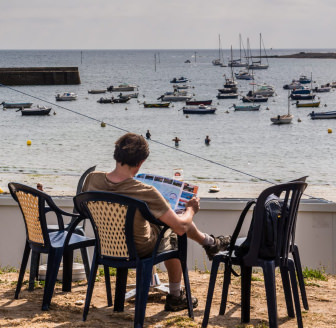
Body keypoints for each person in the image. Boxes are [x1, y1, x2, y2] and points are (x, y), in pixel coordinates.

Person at [82, 133, 230, 311]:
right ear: (141, 162)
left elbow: (85, 208)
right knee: (175, 229)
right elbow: (182, 227)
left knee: (163, 221)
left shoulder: (92, 179)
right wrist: (191, 209)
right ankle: (176, 295)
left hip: (107, 245)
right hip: (140, 248)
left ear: (116, 154)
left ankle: (210, 243)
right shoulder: (146, 191)